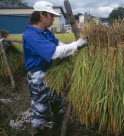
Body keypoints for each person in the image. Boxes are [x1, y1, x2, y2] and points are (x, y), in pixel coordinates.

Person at [22, 1, 88, 135]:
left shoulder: (45, 33)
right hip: (38, 76)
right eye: (51, 16)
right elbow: (54, 52)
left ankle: (61, 126)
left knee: (57, 101)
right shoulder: (31, 35)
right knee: (40, 108)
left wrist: (73, 47)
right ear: (41, 15)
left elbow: (60, 45)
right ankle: (38, 131)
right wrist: (76, 45)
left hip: (51, 73)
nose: (53, 19)